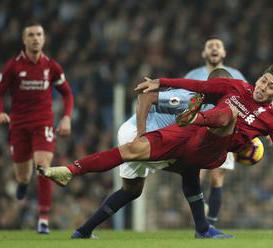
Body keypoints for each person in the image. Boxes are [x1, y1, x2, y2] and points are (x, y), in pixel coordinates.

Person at [39, 64, 273, 231]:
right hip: (188, 135)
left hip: (212, 149)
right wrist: (161, 82)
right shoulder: (236, 86)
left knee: (228, 117)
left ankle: (196, 119)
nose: (263, 87)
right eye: (264, 80)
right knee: (131, 150)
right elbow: (194, 84)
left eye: (270, 86)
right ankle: (70, 170)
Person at [65, 69, 235, 240]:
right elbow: (146, 97)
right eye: (224, 85)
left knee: (131, 190)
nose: (229, 89)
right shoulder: (190, 97)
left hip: (147, 135)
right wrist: (141, 133)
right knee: (190, 168)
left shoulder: (220, 107)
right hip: (140, 134)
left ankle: (83, 231)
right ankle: (203, 230)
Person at [0, 22, 74, 234]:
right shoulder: (12, 67)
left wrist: (67, 117)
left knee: (43, 166)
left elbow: (67, 93)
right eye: (31, 35)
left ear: (44, 38)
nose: (35, 38)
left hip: (43, 123)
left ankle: (43, 218)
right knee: (23, 175)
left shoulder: (51, 67)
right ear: (24, 40)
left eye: (39, 34)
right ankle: (23, 183)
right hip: (19, 125)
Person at [184, 37, 246, 226]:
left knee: (217, 176)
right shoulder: (193, 75)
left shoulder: (235, 75)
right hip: (198, 130)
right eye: (209, 45)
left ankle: (210, 223)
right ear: (204, 53)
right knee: (196, 173)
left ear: (224, 52)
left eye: (218, 45)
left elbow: (246, 103)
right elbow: (183, 100)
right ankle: (201, 218)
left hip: (225, 132)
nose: (214, 48)